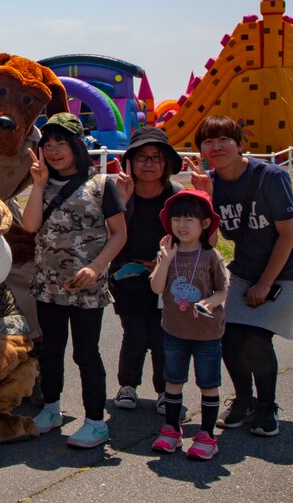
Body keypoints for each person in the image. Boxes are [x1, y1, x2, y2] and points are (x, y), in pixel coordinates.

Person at [187, 115, 293, 437]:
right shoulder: (212, 182)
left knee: (257, 338)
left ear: (240, 143)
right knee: (228, 333)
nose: (216, 147)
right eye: (208, 141)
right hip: (247, 268)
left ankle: (266, 407)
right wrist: (206, 198)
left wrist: (265, 284)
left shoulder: (269, 177)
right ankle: (243, 402)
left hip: (292, 269)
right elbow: (214, 241)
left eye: (224, 140)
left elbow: (287, 236)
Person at [22, 113, 127, 449]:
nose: (53, 151)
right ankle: (52, 410)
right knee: (51, 349)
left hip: (87, 288)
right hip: (48, 285)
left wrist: (97, 267)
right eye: (47, 145)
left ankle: (95, 422)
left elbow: (119, 233)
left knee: (86, 353)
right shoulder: (41, 182)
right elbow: (29, 225)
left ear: (77, 146)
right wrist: (38, 185)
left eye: (61, 144)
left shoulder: (101, 184)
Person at [148, 189, 228, 460]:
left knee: (208, 382)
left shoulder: (210, 256)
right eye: (176, 219)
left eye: (189, 220)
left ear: (205, 224)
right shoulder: (167, 253)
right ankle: (171, 429)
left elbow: (223, 291)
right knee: (173, 380)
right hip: (174, 330)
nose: (181, 225)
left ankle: (207, 434)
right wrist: (166, 260)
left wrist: (210, 303)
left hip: (207, 333)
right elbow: (157, 287)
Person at [108, 127, 183, 415]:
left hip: (168, 278)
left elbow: (203, 239)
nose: (149, 163)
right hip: (127, 276)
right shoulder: (118, 194)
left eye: (156, 157)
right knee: (135, 332)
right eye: (141, 157)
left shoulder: (176, 196)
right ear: (129, 163)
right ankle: (128, 385)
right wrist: (122, 201)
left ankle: (166, 390)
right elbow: (106, 235)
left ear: (166, 163)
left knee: (163, 335)